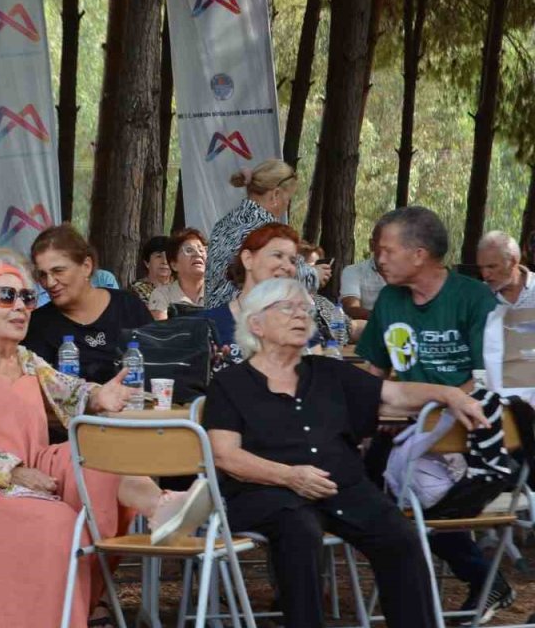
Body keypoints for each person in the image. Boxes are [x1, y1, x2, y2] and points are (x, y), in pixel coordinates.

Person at [0, 249, 209, 628]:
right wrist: (11, 473)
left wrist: (100, 396)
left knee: (97, 457)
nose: (20, 306)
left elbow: (72, 393)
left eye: (27, 298)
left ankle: (164, 508)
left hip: (29, 469)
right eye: (6, 296)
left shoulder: (25, 359)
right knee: (59, 523)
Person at [204, 278, 488, 628]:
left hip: (344, 488)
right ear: (255, 324)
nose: (301, 315)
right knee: (299, 531)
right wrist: (290, 476)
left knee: (401, 537)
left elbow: (394, 395)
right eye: (287, 308)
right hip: (268, 492)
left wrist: (450, 395)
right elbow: (225, 456)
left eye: (305, 309)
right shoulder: (230, 384)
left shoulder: (329, 372)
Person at [355, 206, 515, 617]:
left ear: (419, 253)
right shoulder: (391, 299)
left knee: (400, 494)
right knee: (358, 483)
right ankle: (476, 581)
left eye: (387, 250)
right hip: (404, 429)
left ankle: (475, 580)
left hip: (463, 433)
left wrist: (425, 410)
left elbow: (487, 378)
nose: (380, 258)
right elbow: (373, 370)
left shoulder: (474, 298)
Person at [23, 224, 152, 384]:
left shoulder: (128, 306)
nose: (50, 282)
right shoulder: (39, 324)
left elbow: (158, 365)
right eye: (42, 275)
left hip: (135, 407)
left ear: (86, 266)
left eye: (58, 271)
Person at [204, 159, 323, 308]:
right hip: (247, 319)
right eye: (288, 199)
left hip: (214, 317)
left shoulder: (223, 223)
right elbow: (293, 274)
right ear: (275, 195)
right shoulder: (269, 231)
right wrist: (315, 274)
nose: (287, 205)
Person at [203, 223, 300, 365]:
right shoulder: (209, 325)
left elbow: (318, 381)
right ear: (248, 260)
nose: (287, 267)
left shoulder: (299, 323)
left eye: (292, 261)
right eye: (277, 255)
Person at [299, 242, 353, 345]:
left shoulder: (322, 302)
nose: (323, 270)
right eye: (312, 267)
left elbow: (350, 327)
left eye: (321, 264)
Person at [148, 228, 207, 319]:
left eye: (201, 250)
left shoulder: (220, 293)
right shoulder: (162, 295)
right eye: (189, 250)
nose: (197, 254)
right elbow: (162, 330)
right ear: (174, 265)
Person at [478, 230, 535, 308]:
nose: (485, 274)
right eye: (481, 268)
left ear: (513, 262)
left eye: (492, 266)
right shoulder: (479, 295)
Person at [339, 227, 387, 320]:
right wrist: (387, 319)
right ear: (371, 245)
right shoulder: (353, 271)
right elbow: (351, 308)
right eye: (384, 246)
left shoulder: (408, 273)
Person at [131, 235, 172, 307]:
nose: (165, 261)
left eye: (169, 256)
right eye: (159, 256)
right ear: (147, 263)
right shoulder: (136, 290)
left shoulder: (182, 287)